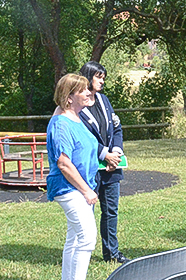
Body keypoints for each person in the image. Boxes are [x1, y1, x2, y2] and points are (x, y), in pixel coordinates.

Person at [46, 73, 100, 280]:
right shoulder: (61, 123)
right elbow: (64, 163)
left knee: (75, 238)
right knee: (87, 237)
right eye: (83, 90)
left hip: (79, 187)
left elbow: (88, 148)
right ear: (69, 97)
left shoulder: (77, 118)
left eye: (89, 88)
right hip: (69, 188)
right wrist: (87, 190)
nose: (89, 93)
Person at [78, 61, 129, 264]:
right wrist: (104, 155)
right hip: (90, 168)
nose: (102, 81)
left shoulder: (104, 100)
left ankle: (112, 254)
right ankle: (84, 253)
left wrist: (115, 153)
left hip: (111, 167)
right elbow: (82, 136)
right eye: (98, 77)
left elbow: (116, 128)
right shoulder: (78, 103)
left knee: (111, 211)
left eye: (103, 78)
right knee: (86, 212)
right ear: (88, 77)